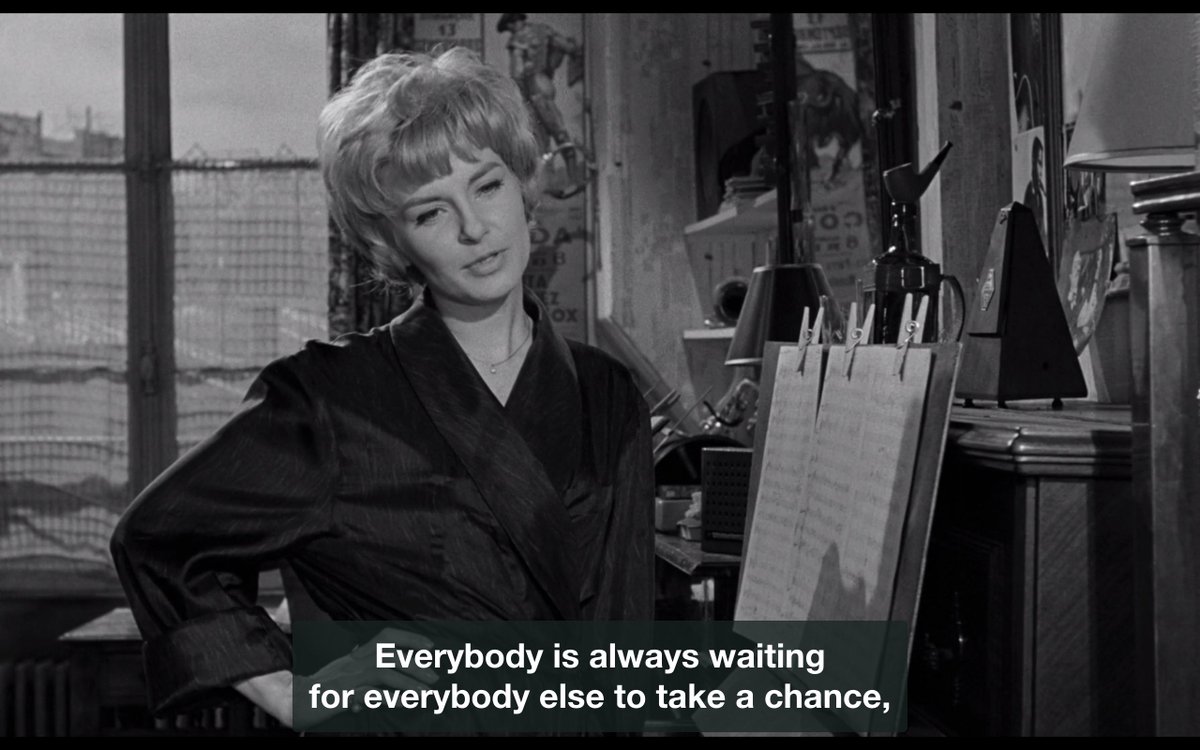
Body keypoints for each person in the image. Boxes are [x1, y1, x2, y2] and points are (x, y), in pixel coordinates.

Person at [109, 46, 654, 731]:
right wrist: (297, 694)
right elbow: (156, 540)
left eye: (487, 186)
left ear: (523, 186)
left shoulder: (608, 392)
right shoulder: (326, 400)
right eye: (430, 213)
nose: (475, 229)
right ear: (393, 241)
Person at [496, 13, 585, 192]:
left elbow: (517, 73)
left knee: (544, 139)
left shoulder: (518, 40)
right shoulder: (544, 31)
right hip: (544, 82)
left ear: (514, 23)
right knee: (555, 132)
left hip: (532, 89)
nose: (511, 30)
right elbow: (570, 48)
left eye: (510, 27)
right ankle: (568, 180)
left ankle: (563, 182)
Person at [1022, 135, 1047, 245]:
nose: (1041, 171)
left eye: (1042, 164)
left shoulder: (1040, 194)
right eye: (1039, 163)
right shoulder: (1030, 193)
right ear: (1033, 161)